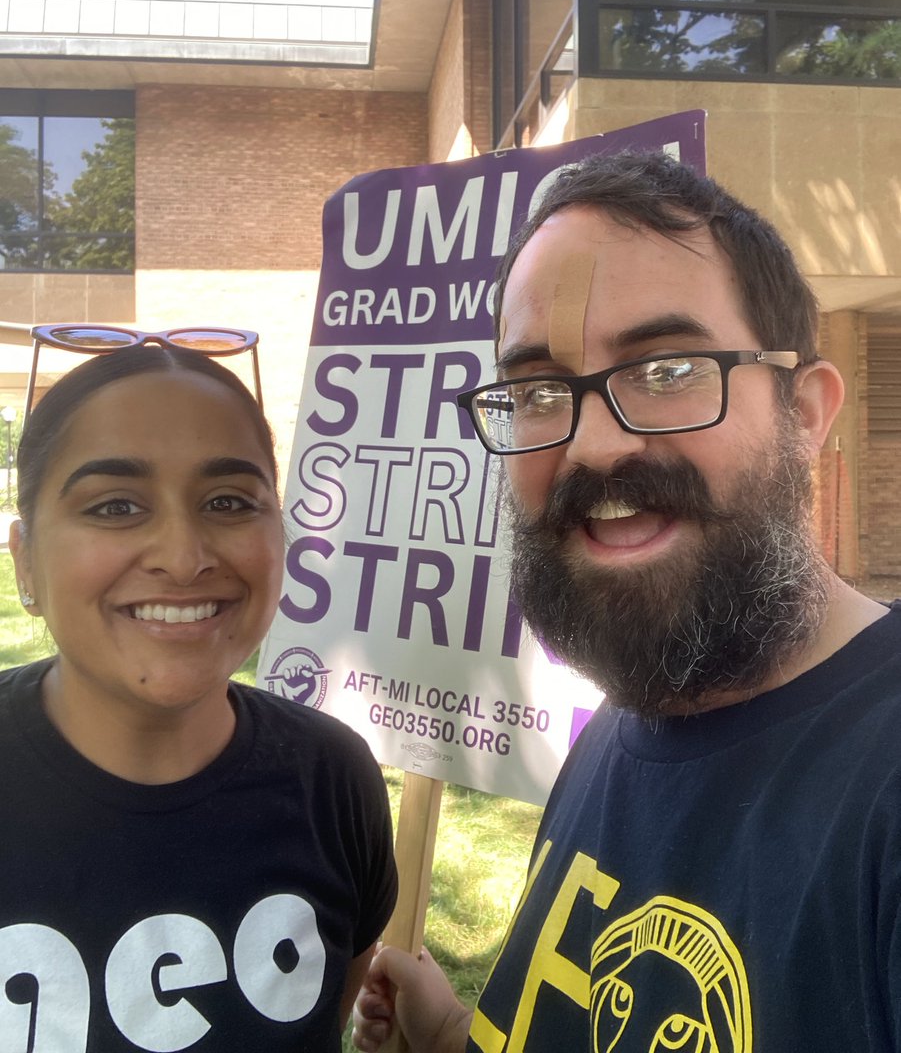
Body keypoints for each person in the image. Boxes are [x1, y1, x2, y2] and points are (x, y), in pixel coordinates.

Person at [353, 150, 901, 1052]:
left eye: (668, 369)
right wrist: (453, 1031)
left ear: (804, 412)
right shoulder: (625, 722)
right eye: (535, 391)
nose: (594, 448)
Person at [5, 336, 397, 1051]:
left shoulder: (332, 782)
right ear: (24, 558)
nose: (184, 559)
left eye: (227, 501)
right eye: (116, 506)